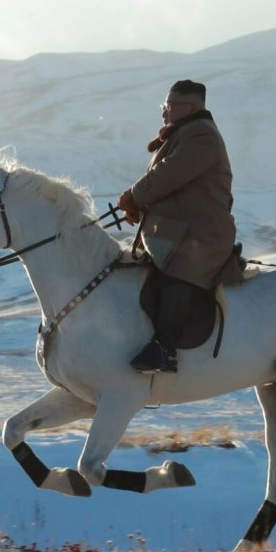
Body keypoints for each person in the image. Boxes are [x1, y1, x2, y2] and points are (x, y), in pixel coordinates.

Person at [117, 80, 237, 374]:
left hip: (199, 234)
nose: (164, 113)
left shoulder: (201, 135)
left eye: (169, 106)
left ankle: (165, 349)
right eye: (164, 106)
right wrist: (139, 206)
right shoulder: (185, 133)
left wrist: (134, 197)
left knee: (178, 273)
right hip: (177, 230)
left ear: (191, 108)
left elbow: (169, 176)